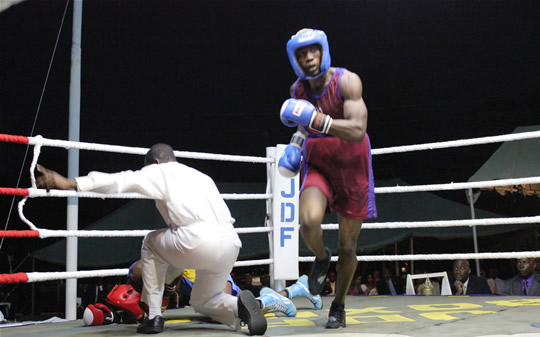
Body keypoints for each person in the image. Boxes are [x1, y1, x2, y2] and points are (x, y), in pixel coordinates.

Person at [36, 143, 267, 335]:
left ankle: (154, 316)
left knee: (150, 243)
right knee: (203, 301)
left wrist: (71, 183)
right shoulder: (201, 176)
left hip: (196, 239)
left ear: (155, 162)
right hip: (230, 243)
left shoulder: (159, 171)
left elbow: (121, 181)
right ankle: (240, 307)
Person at [278, 28, 377, 329]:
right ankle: (321, 257)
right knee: (308, 221)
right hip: (319, 161)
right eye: (301, 54)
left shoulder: (347, 81)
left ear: (323, 50)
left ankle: (339, 305)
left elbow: (358, 130)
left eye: (313, 51)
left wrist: (319, 120)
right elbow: (304, 126)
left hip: (352, 163)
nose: (308, 58)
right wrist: (295, 146)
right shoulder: (298, 90)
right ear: (294, 59)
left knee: (348, 246)